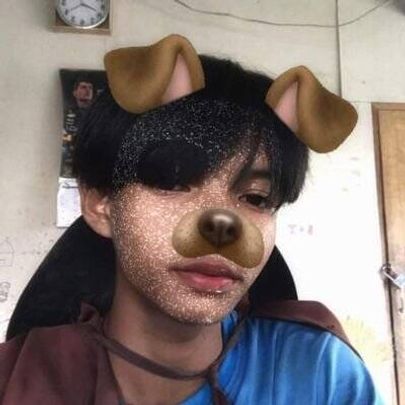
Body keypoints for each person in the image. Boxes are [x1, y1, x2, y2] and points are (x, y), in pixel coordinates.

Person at [0, 35, 383, 404]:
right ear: (100, 202)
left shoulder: (319, 374)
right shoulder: (13, 382)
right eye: (173, 182)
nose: (223, 223)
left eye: (255, 197)